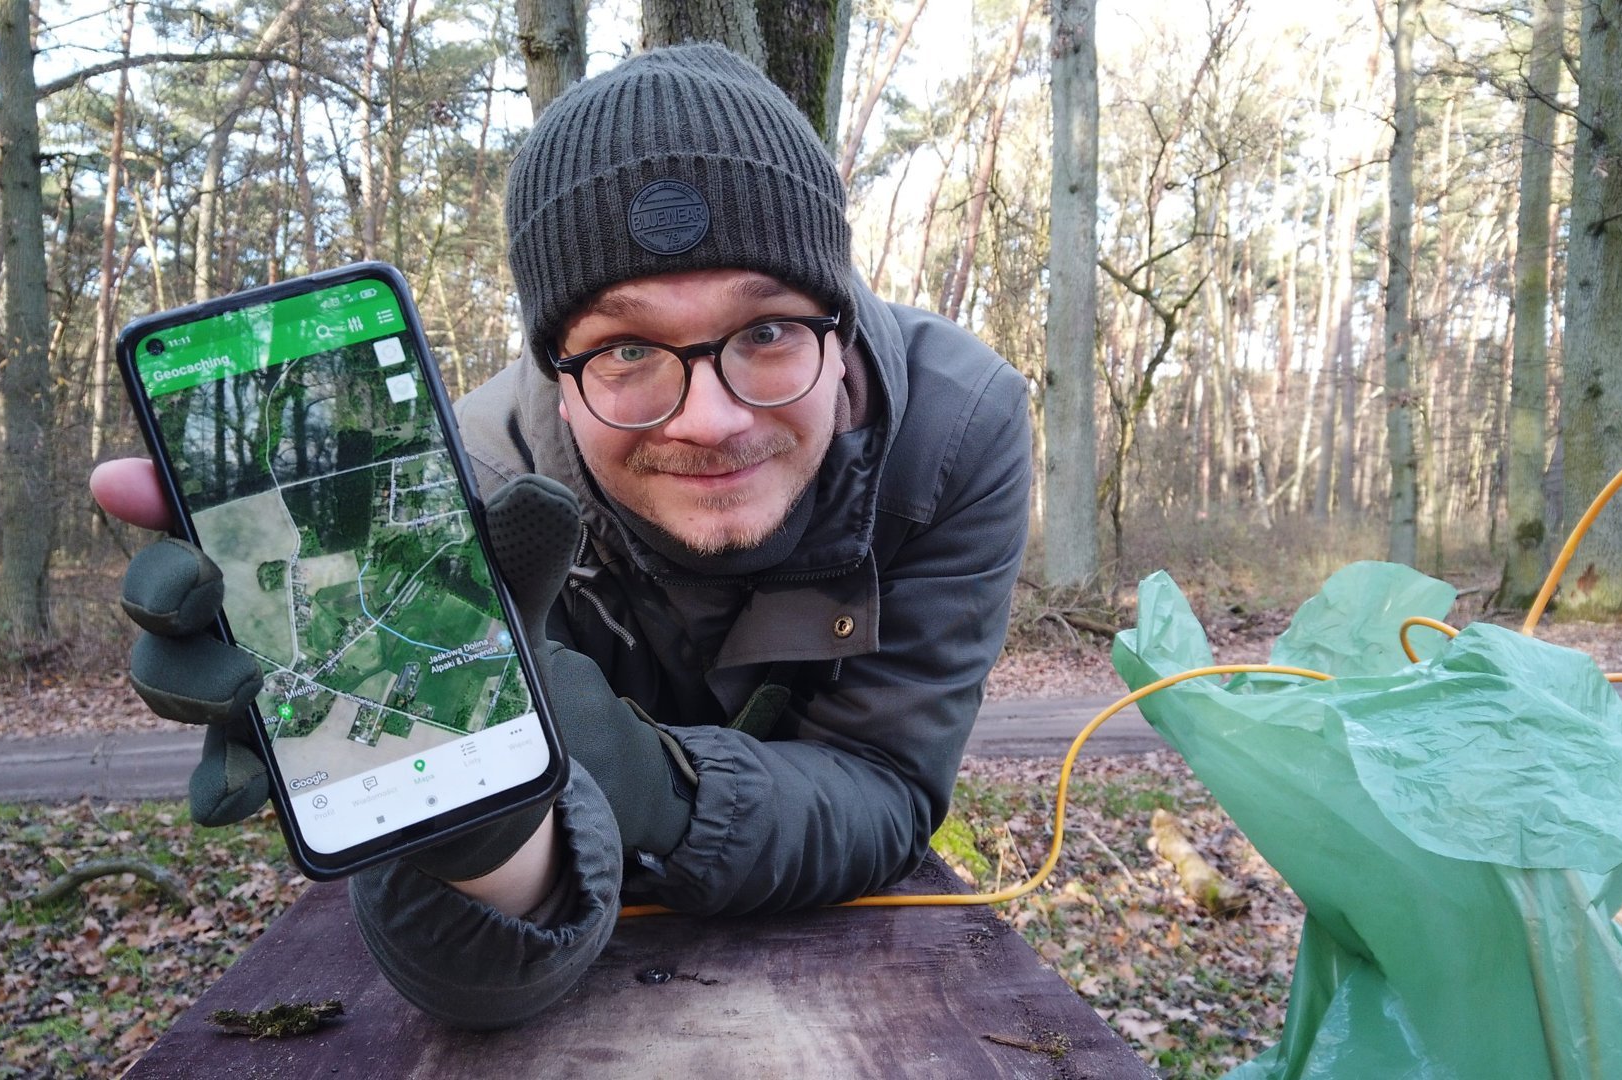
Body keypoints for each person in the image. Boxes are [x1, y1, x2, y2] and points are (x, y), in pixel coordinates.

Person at [93, 43, 1031, 1028]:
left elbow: (884, 784)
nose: (710, 420)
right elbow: (473, 974)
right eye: (628, 349)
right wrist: (488, 834)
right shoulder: (470, 486)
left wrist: (646, 778)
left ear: (837, 329)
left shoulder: (954, 435)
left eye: (765, 333)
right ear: (554, 365)